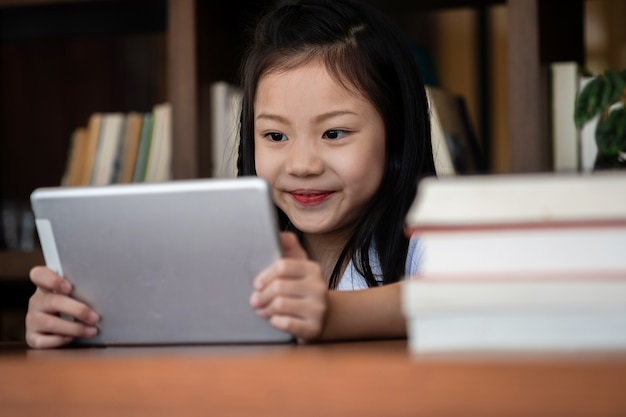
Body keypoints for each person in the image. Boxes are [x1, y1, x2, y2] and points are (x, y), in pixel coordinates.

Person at [25, 0, 436, 348]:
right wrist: (66, 318)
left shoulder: (429, 241)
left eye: (334, 133)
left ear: (396, 134)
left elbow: (450, 298)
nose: (302, 165)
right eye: (275, 135)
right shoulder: (214, 252)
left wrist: (332, 313)